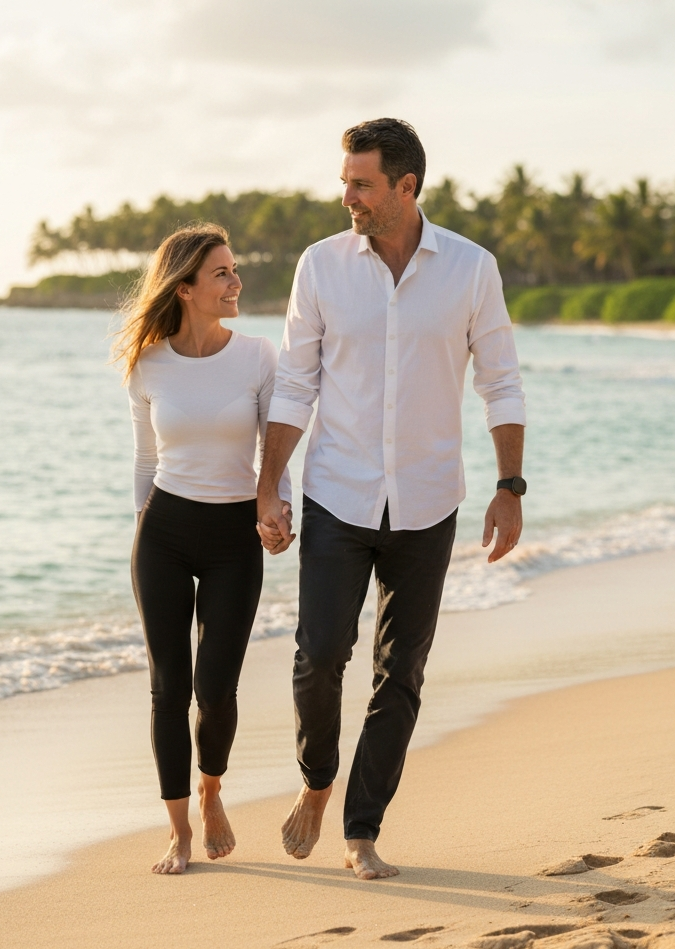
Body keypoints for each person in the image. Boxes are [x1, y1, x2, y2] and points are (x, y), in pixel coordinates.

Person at [256, 119, 527, 880]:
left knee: (401, 671)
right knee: (318, 656)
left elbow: (499, 380)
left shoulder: (471, 270)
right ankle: (317, 782)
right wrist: (268, 482)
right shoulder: (322, 266)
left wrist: (509, 487)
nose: (347, 196)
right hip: (338, 493)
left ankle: (361, 830)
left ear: (406, 187)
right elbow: (296, 381)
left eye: (362, 183)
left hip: (428, 501)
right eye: (346, 181)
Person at [114, 224, 291, 875]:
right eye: (222, 273)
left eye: (234, 270)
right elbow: (144, 459)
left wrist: (278, 507)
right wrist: (143, 527)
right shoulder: (148, 364)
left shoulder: (257, 357)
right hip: (162, 534)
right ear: (184, 288)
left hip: (232, 538)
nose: (236, 281)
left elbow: (277, 449)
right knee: (170, 687)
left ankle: (213, 789)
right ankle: (180, 829)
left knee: (214, 689)